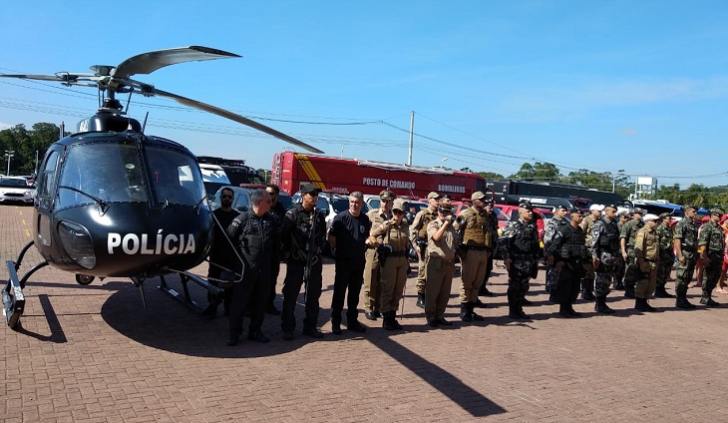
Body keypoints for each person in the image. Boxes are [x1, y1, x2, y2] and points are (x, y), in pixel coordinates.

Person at [225, 189, 276, 345]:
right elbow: (229, 240)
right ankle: (234, 334)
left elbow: (276, 245)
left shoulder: (271, 220)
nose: (271, 203)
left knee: (261, 302)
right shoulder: (242, 219)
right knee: (239, 303)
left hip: (264, 269)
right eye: (269, 201)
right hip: (245, 269)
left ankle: (255, 331)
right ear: (258, 202)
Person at [280, 184, 327, 340]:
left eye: (316, 195)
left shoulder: (319, 216)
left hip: (313, 262)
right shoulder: (293, 214)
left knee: (313, 296)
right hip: (296, 262)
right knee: (291, 295)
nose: (314, 197)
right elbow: (283, 237)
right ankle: (288, 328)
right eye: (311, 194)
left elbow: (322, 237)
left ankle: (310, 327)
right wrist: (291, 253)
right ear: (303, 195)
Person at [328, 191, 371, 335]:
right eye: (352, 202)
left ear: (362, 204)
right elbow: (332, 238)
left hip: (358, 263)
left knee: (354, 294)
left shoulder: (365, 219)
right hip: (343, 262)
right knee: (339, 293)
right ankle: (336, 322)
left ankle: (352, 321)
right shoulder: (341, 218)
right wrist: (340, 251)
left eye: (357, 202)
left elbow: (365, 237)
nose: (354, 204)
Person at [369, 198, 410, 330]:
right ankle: (386, 319)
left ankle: (392, 317)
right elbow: (372, 235)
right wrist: (379, 246)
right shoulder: (386, 225)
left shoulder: (405, 225)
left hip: (402, 260)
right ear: (392, 212)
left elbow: (406, 243)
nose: (397, 215)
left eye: (400, 212)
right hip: (390, 260)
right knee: (388, 290)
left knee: (398, 291)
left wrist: (408, 261)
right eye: (395, 212)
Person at [454, 191, 493, 322]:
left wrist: (489, 249)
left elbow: (488, 233)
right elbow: (454, 230)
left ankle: (471, 309)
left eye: (484, 200)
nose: (484, 202)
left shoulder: (485, 215)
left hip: (483, 252)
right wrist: (458, 249)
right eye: (481, 200)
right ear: (474, 201)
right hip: (470, 252)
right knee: (467, 282)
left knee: (477, 282)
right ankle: (464, 310)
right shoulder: (465, 214)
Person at [498, 200, 540, 319]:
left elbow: (535, 244)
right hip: (516, 260)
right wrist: (506, 258)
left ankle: (519, 308)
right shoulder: (514, 225)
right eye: (528, 211)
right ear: (521, 213)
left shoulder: (532, 226)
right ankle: (513, 310)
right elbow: (503, 241)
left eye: (531, 211)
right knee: (514, 286)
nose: (530, 213)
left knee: (524, 286)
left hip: (529, 260)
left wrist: (536, 258)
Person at [546, 208, 589, 318]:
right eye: (579, 216)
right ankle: (563, 308)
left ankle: (569, 307)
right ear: (572, 217)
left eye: (582, 216)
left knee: (575, 287)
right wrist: (557, 260)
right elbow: (555, 245)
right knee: (565, 286)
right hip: (566, 263)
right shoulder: (564, 230)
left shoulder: (579, 230)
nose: (581, 218)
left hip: (577, 263)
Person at [205, 187, 240, 318]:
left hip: (231, 255)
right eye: (224, 196)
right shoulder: (213, 215)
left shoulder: (237, 216)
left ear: (233, 199)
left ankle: (228, 308)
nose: (227, 199)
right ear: (220, 198)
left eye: (229, 197)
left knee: (231, 284)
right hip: (216, 255)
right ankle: (212, 306)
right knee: (213, 282)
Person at [424, 203, 461, 327]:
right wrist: (445, 224)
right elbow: (436, 237)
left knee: (444, 293)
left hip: (448, 264)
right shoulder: (433, 224)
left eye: (446, 212)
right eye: (441, 211)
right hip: (436, 263)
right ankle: (430, 316)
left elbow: (454, 244)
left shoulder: (451, 227)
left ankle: (440, 315)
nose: (443, 214)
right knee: (432, 292)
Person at [363, 189, 396, 320]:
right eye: (383, 201)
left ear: (392, 203)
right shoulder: (372, 214)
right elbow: (365, 232)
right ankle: (368, 307)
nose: (385, 204)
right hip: (374, 251)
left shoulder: (394, 218)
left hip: (388, 254)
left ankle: (378, 308)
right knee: (370, 279)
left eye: (388, 202)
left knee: (383, 281)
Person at [410, 192, 440, 308]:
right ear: (429, 200)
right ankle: (420, 297)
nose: (438, 201)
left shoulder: (438, 215)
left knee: (434, 273)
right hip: (425, 247)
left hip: (435, 248)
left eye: (438, 199)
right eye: (435, 199)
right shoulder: (422, 214)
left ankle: (430, 297)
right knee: (423, 272)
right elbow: (413, 229)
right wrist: (415, 245)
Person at [589, 204, 621, 314]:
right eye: (613, 211)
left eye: (615, 211)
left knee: (607, 281)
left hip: (612, 257)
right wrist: (595, 257)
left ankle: (603, 303)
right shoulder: (600, 224)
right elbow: (594, 242)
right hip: (603, 257)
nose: (615, 213)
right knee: (600, 281)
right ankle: (599, 304)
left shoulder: (614, 224)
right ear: (606, 212)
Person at [265, 184, 286, 315]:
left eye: (271, 194)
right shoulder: (261, 207)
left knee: (272, 279)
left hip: (274, 252)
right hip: (260, 252)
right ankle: (252, 306)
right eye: (267, 193)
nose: (268, 196)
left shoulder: (282, 212)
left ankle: (269, 304)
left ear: (277, 195)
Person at [633, 213, 661, 312]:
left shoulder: (654, 232)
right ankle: (639, 303)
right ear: (647, 221)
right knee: (642, 283)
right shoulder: (642, 232)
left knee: (650, 284)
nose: (656, 223)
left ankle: (644, 302)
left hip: (653, 262)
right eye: (654, 221)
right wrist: (641, 262)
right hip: (645, 261)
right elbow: (638, 248)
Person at [673, 205, 699, 309]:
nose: (695, 213)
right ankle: (679, 300)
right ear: (687, 213)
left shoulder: (693, 224)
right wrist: (680, 255)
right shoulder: (682, 223)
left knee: (688, 277)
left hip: (692, 254)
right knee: (681, 277)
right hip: (685, 252)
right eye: (693, 211)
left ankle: (683, 298)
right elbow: (677, 239)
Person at [698, 208, 724, 307]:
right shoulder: (707, 227)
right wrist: (704, 256)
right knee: (708, 277)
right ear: (712, 215)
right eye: (718, 215)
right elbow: (703, 243)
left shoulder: (719, 228)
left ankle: (708, 296)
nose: (719, 217)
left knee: (715, 276)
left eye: (720, 216)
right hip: (710, 255)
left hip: (718, 256)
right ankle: (705, 297)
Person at [544, 205, 570, 302]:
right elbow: (548, 240)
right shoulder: (552, 223)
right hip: (555, 251)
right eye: (563, 210)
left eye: (566, 211)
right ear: (557, 212)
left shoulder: (565, 222)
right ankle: (553, 294)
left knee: (562, 274)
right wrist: (549, 253)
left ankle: (559, 293)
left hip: (564, 252)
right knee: (553, 274)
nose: (565, 212)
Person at [579, 204, 603, 300]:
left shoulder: (599, 222)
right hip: (587, 249)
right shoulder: (586, 220)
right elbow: (581, 233)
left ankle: (589, 290)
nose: (600, 213)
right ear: (592, 211)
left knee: (592, 271)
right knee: (586, 270)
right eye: (598, 211)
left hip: (595, 249)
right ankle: (584, 291)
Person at [621, 208, 645, 298]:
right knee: (630, 270)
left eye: (640, 213)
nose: (639, 215)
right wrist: (623, 251)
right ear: (634, 214)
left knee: (638, 270)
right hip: (631, 249)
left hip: (640, 251)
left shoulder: (643, 225)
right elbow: (623, 238)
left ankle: (634, 288)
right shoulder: (629, 224)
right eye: (637, 213)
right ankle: (628, 289)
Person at [479, 198, 499, 298]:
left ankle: (483, 287)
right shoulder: (481, 216)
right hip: (482, 247)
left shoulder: (493, 216)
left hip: (491, 246)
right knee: (480, 270)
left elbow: (494, 229)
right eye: (488, 206)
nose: (490, 208)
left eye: (491, 206)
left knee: (488, 268)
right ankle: (478, 289)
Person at [654, 212, 675, 298]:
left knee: (666, 272)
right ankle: (658, 290)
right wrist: (657, 254)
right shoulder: (659, 229)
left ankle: (662, 289)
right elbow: (656, 242)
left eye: (670, 218)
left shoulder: (669, 229)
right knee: (660, 273)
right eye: (668, 218)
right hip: (662, 254)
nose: (670, 219)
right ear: (663, 219)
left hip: (668, 254)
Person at [613, 210, 631, 290]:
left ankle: (620, 282)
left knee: (623, 267)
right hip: (618, 249)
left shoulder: (627, 226)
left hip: (625, 248)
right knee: (618, 267)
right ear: (620, 217)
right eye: (625, 217)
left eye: (628, 217)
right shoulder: (617, 226)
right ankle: (616, 282)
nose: (627, 219)